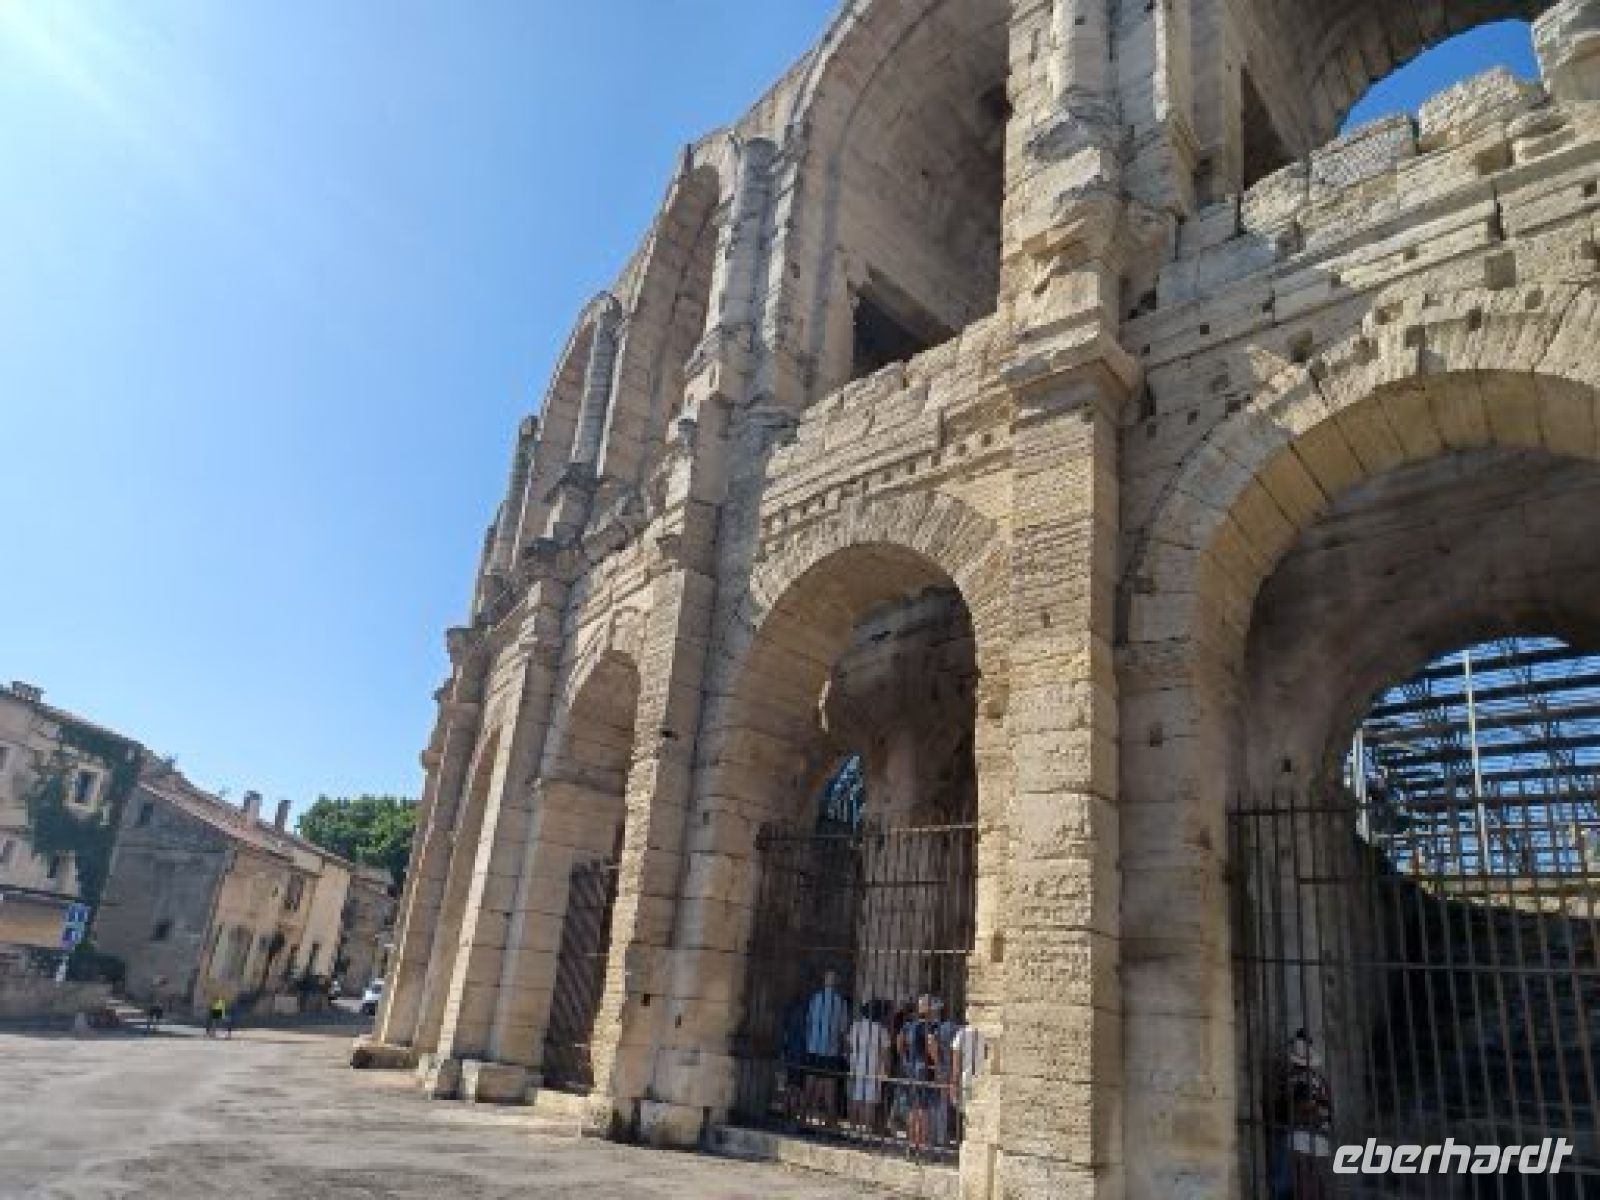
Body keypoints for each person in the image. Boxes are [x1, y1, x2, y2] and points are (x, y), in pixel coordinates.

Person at [1268, 1029, 1332, 1200]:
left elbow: (1298, 1107)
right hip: (1321, 1143)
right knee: (1312, 1191)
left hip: (1299, 1141)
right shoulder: (1321, 1081)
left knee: (1286, 1188)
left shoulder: (1296, 1080)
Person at [801, 969, 850, 1128]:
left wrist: (809, 1042)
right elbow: (843, 1029)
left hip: (813, 1048)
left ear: (824, 981)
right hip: (830, 1050)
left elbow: (808, 1022)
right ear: (836, 982)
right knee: (830, 1086)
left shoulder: (815, 999)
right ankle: (829, 1121)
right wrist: (844, 1050)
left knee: (810, 1083)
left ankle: (803, 1116)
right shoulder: (840, 1002)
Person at [898, 994, 937, 1156]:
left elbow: (899, 1041)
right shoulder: (930, 1026)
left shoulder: (909, 1025)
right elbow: (930, 1044)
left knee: (912, 1109)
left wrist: (904, 1058)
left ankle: (911, 1144)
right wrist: (937, 1062)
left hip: (910, 1069)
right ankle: (920, 1146)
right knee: (923, 1109)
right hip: (923, 1069)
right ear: (928, 1009)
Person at [846, 999, 891, 1134]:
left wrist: (850, 1059)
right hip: (874, 1068)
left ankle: (853, 1129)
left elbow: (849, 1046)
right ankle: (866, 1132)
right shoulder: (882, 1031)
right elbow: (886, 1054)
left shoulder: (856, 1026)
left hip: (856, 1065)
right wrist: (886, 1071)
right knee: (869, 1102)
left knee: (855, 1098)